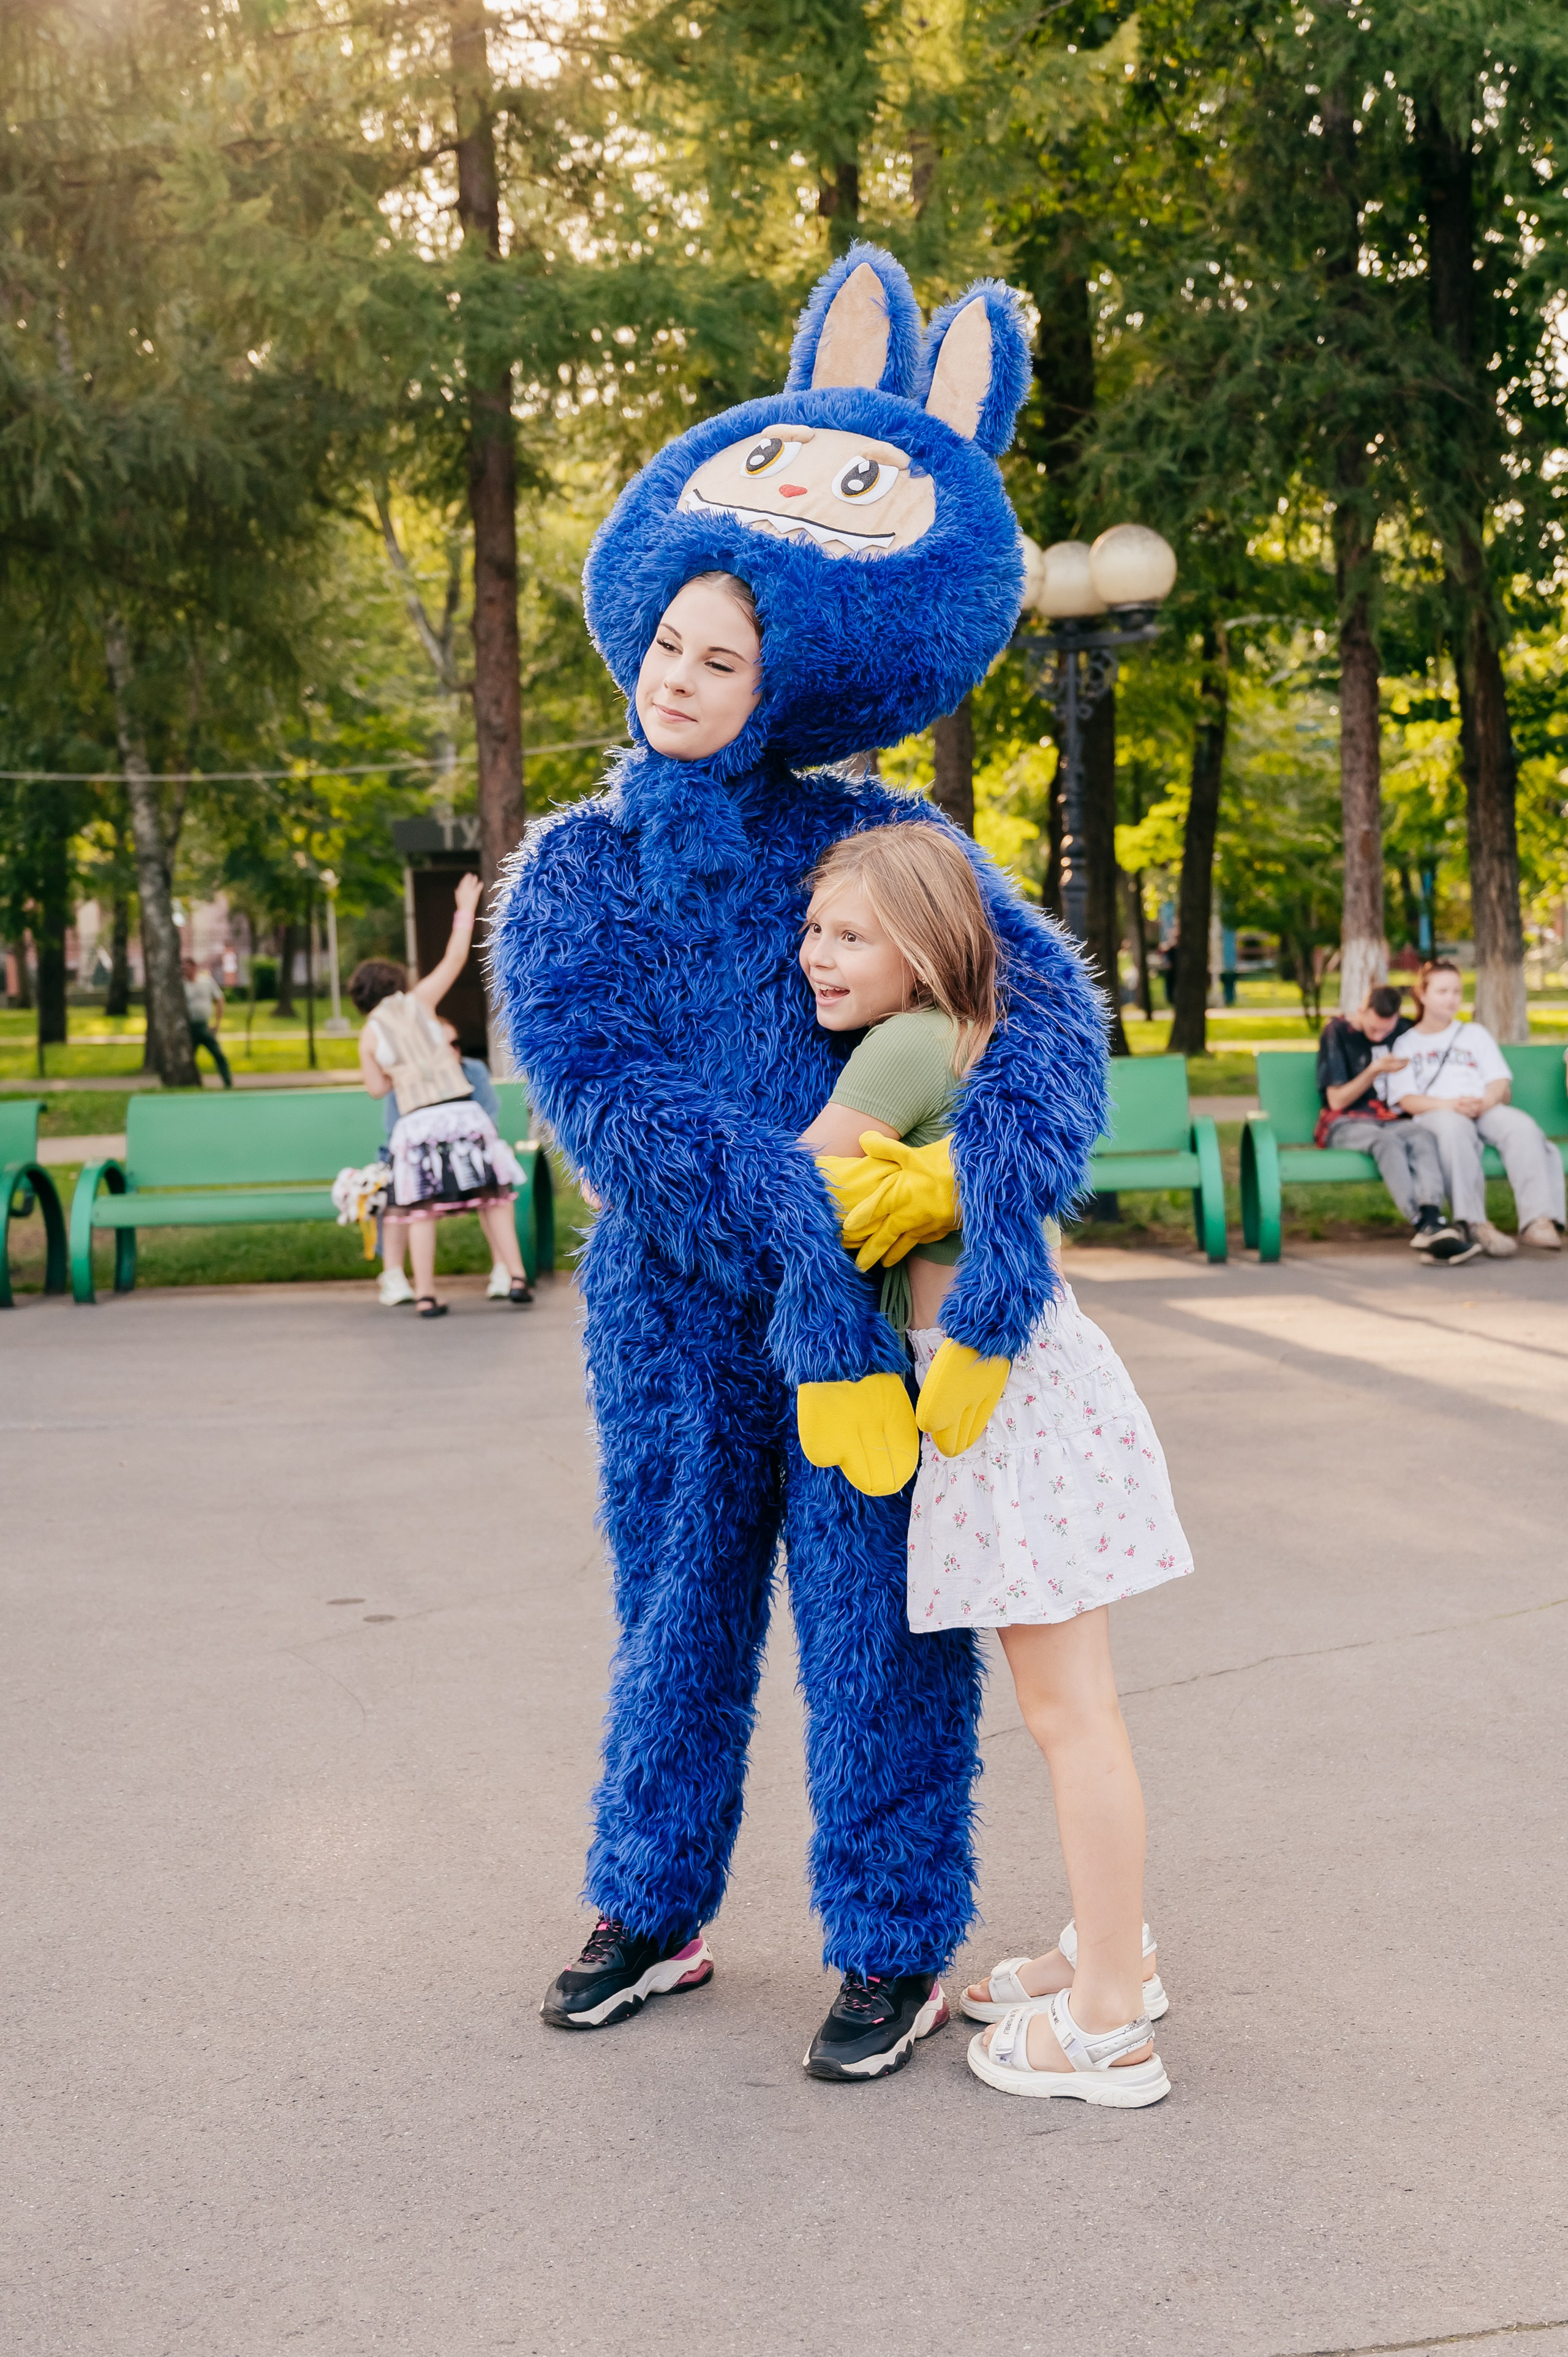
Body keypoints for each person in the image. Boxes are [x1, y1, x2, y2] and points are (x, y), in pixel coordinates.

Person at [499, 247, 1109, 2083]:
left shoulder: (882, 833)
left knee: (876, 1626)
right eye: (674, 648)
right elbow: (608, 1102)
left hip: (874, 1320)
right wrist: (797, 1201)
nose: (688, 678)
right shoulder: (572, 872)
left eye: (727, 656)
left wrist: (974, 1203)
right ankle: (651, 1903)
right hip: (679, 1316)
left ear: (787, 671)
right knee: (673, 1615)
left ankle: (891, 1938)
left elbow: (1038, 1009)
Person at [799, 824, 1187, 2108]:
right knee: (1081, 1707)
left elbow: (804, 1194)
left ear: (921, 947)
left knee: (1067, 1715)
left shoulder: (905, 1043)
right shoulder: (973, 1032)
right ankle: (1111, 1948)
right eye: (812, 929)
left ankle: (1105, 2027)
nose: (817, 954)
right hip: (1028, 1383)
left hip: (1002, 1402)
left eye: (849, 934)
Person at [349, 873, 532, 1317]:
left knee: (421, 1210)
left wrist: (400, 1072)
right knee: (493, 1197)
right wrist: (464, 906)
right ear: (396, 983)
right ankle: (516, 1275)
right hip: (463, 1113)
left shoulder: (368, 1036)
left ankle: (427, 1294)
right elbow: (454, 957)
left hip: (417, 1122)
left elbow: (376, 1090)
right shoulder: (420, 1001)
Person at [1383, 959, 1564, 1259]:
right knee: (1454, 1130)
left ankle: (1538, 1219)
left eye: (1456, 991)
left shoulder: (1474, 1034)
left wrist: (1487, 1101)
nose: (1452, 998)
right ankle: (1475, 1222)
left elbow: (1499, 1082)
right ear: (1423, 995)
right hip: (1438, 1112)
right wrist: (1450, 1105)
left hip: (1482, 1107)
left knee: (1521, 1127)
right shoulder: (1406, 1044)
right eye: (1443, 991)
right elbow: (1407, 1100)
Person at [1315, 984, 1464, 1258]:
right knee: (1386, 1142)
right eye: (1374, 1029)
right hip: (1344, 1122)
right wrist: (1374, 1070)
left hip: (1391, 1118)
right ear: (1362, 1010)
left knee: (1422, 1137)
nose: (1380, 1036)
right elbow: (1336, 1101)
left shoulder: (1403, 1030)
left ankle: (1432, 1215)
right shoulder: (1337, 1032)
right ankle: (1420, 1222)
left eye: (1387, 1030)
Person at [375, 1027, 518, 1308]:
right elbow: (395, 1131)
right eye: (443, 1043)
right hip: (419, 1162)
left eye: (456, 1042)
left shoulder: (473, 1071)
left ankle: (506, 1270)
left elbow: (488, 1119)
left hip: (466, 1157)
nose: (452, 1049)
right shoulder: (407, 1075)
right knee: (406, 1191)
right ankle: (396, 1278)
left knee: (495, 1187)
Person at [181, 956, 232, 1087]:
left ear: (194, 968)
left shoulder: (207, 982)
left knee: (218, 1054)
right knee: (187, 1059)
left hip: (204, 1026)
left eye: (188, 968)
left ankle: (227, 1082)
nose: (186, 971)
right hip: (189, 1028)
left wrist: (217, 1023)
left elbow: (219, 1000)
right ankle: (192, 1083)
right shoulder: (181, 986)